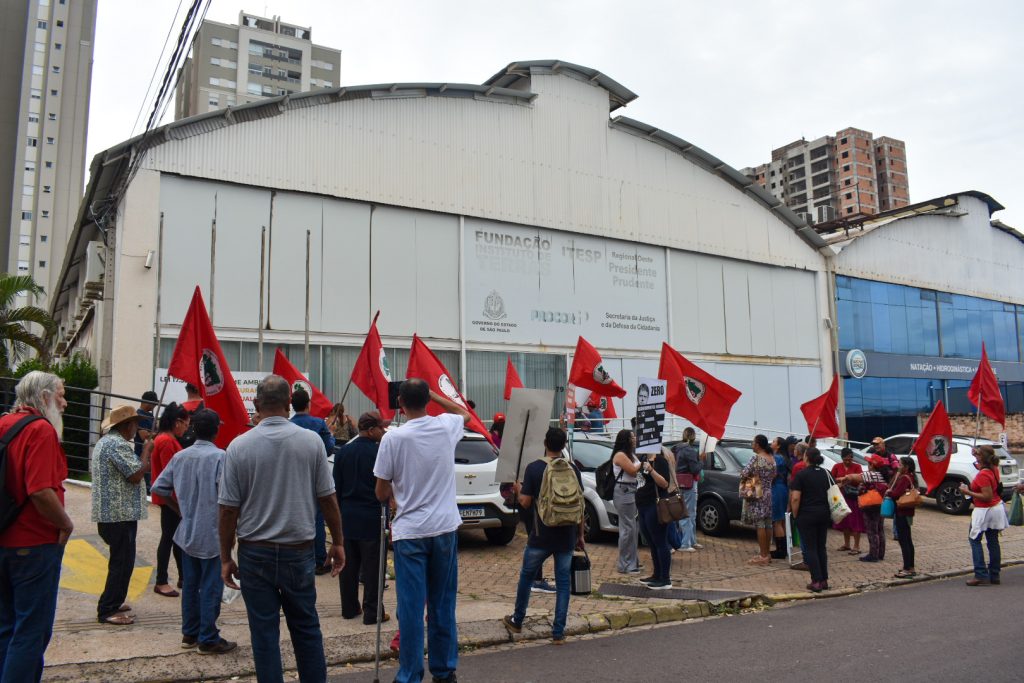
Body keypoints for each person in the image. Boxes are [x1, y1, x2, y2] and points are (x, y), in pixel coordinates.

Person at [219, 375, 344, 683]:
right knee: (306, 629)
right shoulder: (311, 441)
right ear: (289, 403)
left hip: (254, 552)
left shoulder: (238, 447)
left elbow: (228, 510)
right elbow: (327, 499)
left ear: (256, 404)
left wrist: (225, 556)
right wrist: (338, 542)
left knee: (263, 634)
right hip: (298, 552)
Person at [373, 379, 470, 683]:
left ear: (400, 403)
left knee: (411, 609)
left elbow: (380, 490)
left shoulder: (393, 438)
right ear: (426, 400)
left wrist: (391, 495)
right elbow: (463, 412)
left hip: (410, 531)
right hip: (443, 528)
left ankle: (410, 675)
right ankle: (444, 671)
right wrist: (434, 395)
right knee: (443, 604)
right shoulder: (445, 427)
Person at [0, 372, 74, 682]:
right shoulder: (41, 431)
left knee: (6, 625)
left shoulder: (4, 423)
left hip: (5, 539)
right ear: (44, 398)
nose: (65, 403)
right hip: (33, 542)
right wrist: (65, 524)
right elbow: (40, 491)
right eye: (60, 395)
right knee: (32, 630)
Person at [151, 409, 236, 654]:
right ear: (216, 430)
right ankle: (208, 637)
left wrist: (180, 509)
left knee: (190, 584)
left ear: (193, 429)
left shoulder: (181, 457)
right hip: (212, 533)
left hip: (187, 530)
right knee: (210, 586)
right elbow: (228, 500)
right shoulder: (221, 457)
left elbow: (159, 487)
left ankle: (190, 632)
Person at [503, 427, 584, 644]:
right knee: (564, 582)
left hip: (541, 535)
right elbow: (580, 505)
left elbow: (525, 502)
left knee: (527, 577)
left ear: (545, 443)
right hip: (567, 535)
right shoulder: (573, 469)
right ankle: (558, 632)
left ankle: (517, 620)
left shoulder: (534, 468)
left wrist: (519, 489)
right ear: (564, 445)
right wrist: (580, 535)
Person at [91, 405, 151, 625]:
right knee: (121, 562)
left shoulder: (107, 443)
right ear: (127, 425)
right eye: (135, 424)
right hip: (118, 515)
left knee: (123, 560)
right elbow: (136, 473)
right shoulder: (117, 444)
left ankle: (114, 601)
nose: (136, 428)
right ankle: (107, 609)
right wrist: (146, 449)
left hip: (115, 514)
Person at [335, 411, 390, 623]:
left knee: (347, 566)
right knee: (374, 567)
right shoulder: (379, 454)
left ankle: (349, 608)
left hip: (347, 516)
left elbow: (336, 489)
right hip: (371, 516)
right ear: (370, 430)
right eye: (380, 428)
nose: (383, 431)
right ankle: (372, 612)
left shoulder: (343, 453)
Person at [290, 388, 336, 575]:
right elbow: (328, 449)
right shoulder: (318, 424)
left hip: (292, 477)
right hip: (315, 475)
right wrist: (330, 435)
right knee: (317, 518)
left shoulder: (288, 424)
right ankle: (319, 560)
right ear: (308, 404)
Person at [151, 403, 189, 597]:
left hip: (171, 498)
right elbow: (171, 474)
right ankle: (161, 580)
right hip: (170, 499)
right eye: (185, 424)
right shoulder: (166, 441)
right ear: (177, 422)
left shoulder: (166, 439)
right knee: (169, 538)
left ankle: (183, 577)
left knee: (175, 539)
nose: (186, 428)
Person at [962, 445, 1007, 586]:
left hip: (984, 510)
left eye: (977, 455)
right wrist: (976, 452)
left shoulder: (983, 475)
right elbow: (983, 457)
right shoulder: (993, 468)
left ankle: (980, 573)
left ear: (982, 458)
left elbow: (986, 496)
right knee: (993, 541)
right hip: (996, 508)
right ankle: (994, 574)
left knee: (974, 540)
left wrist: (967, 491)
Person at [789, 447, 832, 592]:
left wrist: (795, 515)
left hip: (807, 514)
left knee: (810, 549)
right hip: (824, 514)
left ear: (806, 458)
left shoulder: (802, 475)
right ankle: (824, 579)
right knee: (821, 547)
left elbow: (795, 498)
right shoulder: (826, 473)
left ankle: (816, 580)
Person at [838, 454, 890, 563]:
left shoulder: (870, 475)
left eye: (869, 463)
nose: (868, 465)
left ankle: (873, 555)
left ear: (872, 465)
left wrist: (844, 478)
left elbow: (853, 477)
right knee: (880, 530)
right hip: (881, 504)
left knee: (872, 531)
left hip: (870, 506)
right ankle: (880, 553)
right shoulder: (883, 475)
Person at [635, 446, 673, 589]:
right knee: (651, 541)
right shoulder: (643, 459)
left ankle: (665, 578)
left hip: (655, 505)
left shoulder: (661, 461)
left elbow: (664, 483)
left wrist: (651, 470)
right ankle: (657, 574)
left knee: (660, 541)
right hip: (643, 505)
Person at [740, 434, 776, 565]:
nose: (752, 444)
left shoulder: (756, 458)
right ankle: (767, 554)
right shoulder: (772, 458)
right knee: (768, 523)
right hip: (768, 492)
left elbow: (744, 473)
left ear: (758, 444)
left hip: (757, 492)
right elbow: (774, 475)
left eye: (753, 442)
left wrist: (752, 476)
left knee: (760, 524)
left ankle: (763, 555)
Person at [610, 429, 642, 574]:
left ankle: (632, 560)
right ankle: (625, 564)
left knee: (632, 528)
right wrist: (643, 463)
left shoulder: (630, 454)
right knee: (628, 529)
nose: (634, 439)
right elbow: (632, 471)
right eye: (632, 437)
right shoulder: (620, 455)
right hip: (624, 491)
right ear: (626, 440)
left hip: (631, 490)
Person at [672, 427, 703, 553]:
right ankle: (686, 543)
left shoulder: (675, 449)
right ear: (693, 436)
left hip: (677, 483)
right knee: (688, 513)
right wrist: (701, 461)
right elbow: (695, 469)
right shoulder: (689, 450)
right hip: (689, 483)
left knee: (681, 512)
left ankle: (690, 540)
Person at [886, 456, 918, 579]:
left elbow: (896, 494)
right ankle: (911, 567)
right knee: (908, 540)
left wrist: (889, 492)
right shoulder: (911, 477)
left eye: (900, 464)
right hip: (908, 512)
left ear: (906, 467)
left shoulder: (904, 478)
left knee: (904, 540)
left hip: (902, 512)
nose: (898, 467)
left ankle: (907, 568)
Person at [830, 448, 865, 555]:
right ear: (842, 458)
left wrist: (846, 480)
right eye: (845, 459)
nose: (847, 462)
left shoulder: (857, 467)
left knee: (855, 521)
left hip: (853, 497)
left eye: (849, 459)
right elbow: (832, 479)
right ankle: (847, 544)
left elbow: (860, 479)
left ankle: (857, 546)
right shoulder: (837, 466)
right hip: (841, 497)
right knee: (845, 521)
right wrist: (841, 479)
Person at [768, 436, 789, 559]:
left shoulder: (777, 457)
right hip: (782, 488)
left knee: (777, 521)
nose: (772, 443)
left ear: (779, 445)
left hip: (777, 488)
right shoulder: (783, 457)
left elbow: (773, 474)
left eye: (774, 441)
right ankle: (783, 548)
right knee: (780, 520)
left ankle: (780, 550)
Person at [135, 390, 158, 489]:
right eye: (154, 403)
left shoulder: (149, 415)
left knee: (148, 478)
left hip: (149, 452)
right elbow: (143, 435)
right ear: (148, 402)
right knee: (144, 480)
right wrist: (158, 434)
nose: (155, 406)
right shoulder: (140, 415)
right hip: (142, 452)